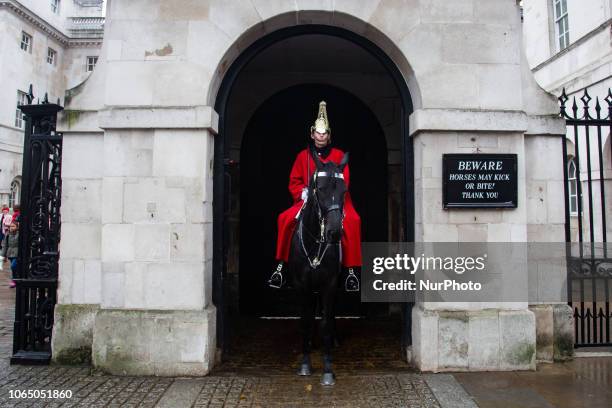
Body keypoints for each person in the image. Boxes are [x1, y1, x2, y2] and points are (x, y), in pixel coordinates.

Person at [269, 101, 361, 290]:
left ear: (329, 135)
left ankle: (351, 271)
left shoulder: (338, 155)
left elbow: (345, 181)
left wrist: (333, 194)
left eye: (324, 133)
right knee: (284, 218)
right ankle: (281, 267)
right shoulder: (303, 156)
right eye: (318, 133)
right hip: (308, 199)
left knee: (353, 221)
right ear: (312, 134)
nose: (321, 136)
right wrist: (303, 193)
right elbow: (294, 180)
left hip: (335, 199)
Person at [2, 222, 19, 288]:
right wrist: (4, 255)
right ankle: (14, 281)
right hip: (10, 253)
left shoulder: (19, 234)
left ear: (17, 227)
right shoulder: (7, 234)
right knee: (13, 268)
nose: (11, 228)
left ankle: (14, 279)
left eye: (13, 226)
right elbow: (5, 245)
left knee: (13, 266)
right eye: (11, 226)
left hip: (17, 253)